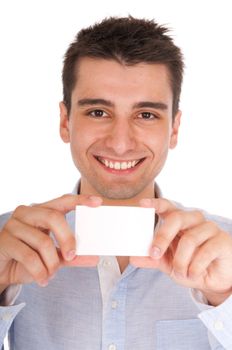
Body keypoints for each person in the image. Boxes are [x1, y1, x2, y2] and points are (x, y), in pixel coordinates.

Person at [0, 16, 232, 350]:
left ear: (174, 129)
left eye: (146, 115)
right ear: (65, 122)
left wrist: (225, 298)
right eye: (98, 112)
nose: (120, 143)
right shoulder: (8, 245)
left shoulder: (224, 254)